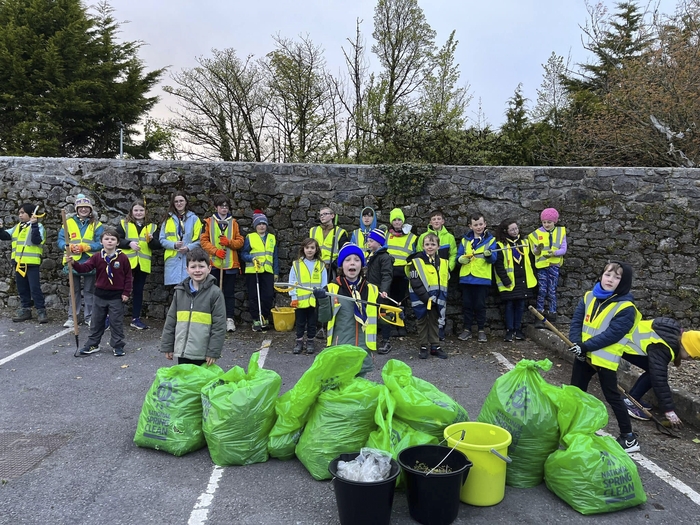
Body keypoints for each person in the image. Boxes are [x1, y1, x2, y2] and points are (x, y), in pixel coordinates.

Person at [568, 261, 642, 453]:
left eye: (617, 277)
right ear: (601, 275)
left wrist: (584, 347)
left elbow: (612, 334)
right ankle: (573, 427)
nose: (610, 280)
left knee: (612, 397)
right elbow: (577, 322)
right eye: (608, 274)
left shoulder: (626, 308)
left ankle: (629, 437)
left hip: (604, 359)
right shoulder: (589, 297)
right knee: (575, 392)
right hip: (583, 354)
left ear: (623, 282)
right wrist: (576, 343)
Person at [620, 318, 700, 428]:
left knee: (652, 370)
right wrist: (669, 411)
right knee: (655, 373)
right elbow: (659, 380)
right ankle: (630, 402)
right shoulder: (664, 347)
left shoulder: (674, 332)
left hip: (624, 337)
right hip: (623, 344)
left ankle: (633, 399)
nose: (689, 360)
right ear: (685, 347)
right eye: (691, 357)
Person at [316, 243, 380, 377]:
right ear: (341, 266)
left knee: (359, 393)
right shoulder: (332, 288)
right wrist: (322, 300)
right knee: (340, 392)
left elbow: (377, 318)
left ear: (361, 266)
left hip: (363, 351)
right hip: (341, 349)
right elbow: (324, 318)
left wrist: (392, 316)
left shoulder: (372, 289)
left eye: (357, 260)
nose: (352, 263)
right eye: (348, 260)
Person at [68, 228, 133, 357]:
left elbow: (128, 277)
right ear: (101, 242)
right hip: (99, 295)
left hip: (116, 296)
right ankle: (93, 344)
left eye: (113, 239)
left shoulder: (123, 258)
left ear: (117, 243)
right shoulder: (97, 257)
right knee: (96, 321)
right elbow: (84, 268)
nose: (110, 241)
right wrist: (74, 263)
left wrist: (126, 292)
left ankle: (118, 345)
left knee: (116, 322)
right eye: (107, 239)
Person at [160, 247, 226, 365]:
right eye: (193, 267)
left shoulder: (215, 293)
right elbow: (171, 321)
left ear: (209, 268)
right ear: (187, 270)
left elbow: (219, 326)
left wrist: (213, 352)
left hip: (203, 353)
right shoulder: (179, 291)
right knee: (184, 382)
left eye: (201, 266)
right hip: (183, 352)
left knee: (201, 383)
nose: (197, 270)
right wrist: (168, 346)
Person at [57, 194, 104, 328]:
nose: (83, 210)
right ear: (77, 209)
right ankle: (73, 317)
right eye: (81, 207)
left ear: (90, 209)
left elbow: (101, 242)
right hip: (72, 260)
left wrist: (87, 247)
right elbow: (60, 240)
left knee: (90, 290)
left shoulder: (96, 224)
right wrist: (68, 247)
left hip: (90, 261)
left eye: (86, 207)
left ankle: (89, 317)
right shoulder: (68, 222)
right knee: (74, 290)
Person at [200, 194, 244, 333]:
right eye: (221, 206)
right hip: (213, 264)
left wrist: (229, 243)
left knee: (229, 293)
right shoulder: (208, 222)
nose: (224, 209)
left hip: (230, 264)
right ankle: (213, 318)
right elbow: (203, 241)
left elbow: (240, 241)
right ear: (216, 207)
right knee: (213, 292)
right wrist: (215, 251)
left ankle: (229, 319)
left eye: (226, 206)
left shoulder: (234, 223)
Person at [117, 199, 161, 330]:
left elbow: (158, 245)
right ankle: (111, 317)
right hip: (127, 263)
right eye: (136, 210)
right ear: (131, 211)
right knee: (121, 289)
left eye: (141, 210)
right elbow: (116, 239)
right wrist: (128, 243)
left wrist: (152, 240)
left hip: (143, 263)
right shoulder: (124, 224)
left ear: (146, 212)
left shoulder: (152, 227)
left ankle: (135, 318)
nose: (138, 212)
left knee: (138, 291)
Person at [0, 203, 48, 323]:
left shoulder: (39, 226)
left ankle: (41, 311)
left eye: (22, 213)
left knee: (34, 288)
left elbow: (36, 240)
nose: (20, 215)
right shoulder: (17, 227)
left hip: (31, 263)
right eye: (19, 213)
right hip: (18, 263)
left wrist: (34, 225)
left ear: (31, 214)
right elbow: (5, 236)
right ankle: (26, 310)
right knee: (22, 288)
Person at [493, 218, 537, 342]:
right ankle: (509, 330)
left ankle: (518, 329)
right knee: (509, 305)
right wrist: (505, 280)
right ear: (505, 231)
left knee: (520, 305)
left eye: (516, 228)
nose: (515, 231)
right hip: (509, 282)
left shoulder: (524, 242)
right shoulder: (501, 245)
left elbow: (531, 260)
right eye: (512, 229)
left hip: (523, 280)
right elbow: (499, 265)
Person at [406, 233, 449, 359]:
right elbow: (415, 282)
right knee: (422, 321)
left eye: (433, 244)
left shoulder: (443, 262)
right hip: (421, 298)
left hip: (437, 298)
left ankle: (435, 346)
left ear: (438, 246)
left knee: (435, 321)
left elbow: (444, 281)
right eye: (427, 244)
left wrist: (439, 297)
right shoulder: (416, 261)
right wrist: (426, 298)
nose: (430, 247)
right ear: (423, 246)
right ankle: (423, 346)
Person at [456, 212, 497, 342]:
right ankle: (467, 329)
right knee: (467, 305)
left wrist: (489, 255)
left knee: (480, 306)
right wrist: (460, 259)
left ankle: (481, 330)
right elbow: (458, 256)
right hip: (466, 278)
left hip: (482, 279)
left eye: (480, 224)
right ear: (470, 226)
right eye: (475, 225)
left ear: (485, 224)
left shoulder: (491, 240)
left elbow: (494, 259)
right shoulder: (464, 240)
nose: (479, 227)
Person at [417, 210, 458, 340]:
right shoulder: (423, 236)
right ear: (430, 222)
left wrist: (448, 269)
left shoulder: (449, 237)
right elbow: (419, 254)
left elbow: (453, 255)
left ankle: (439, 328)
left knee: (441, 302)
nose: (436, 221)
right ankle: (427, 330)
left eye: (438, 219)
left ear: (443, 221)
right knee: (426, 301)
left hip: (443, 275)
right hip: (427, 275)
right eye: (433, 219)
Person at [528, 208, 567, 327]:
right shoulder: (536, 234)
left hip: (554, 266)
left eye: (549, 222)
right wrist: (537, 250)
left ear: (555, 221)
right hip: (542, 266)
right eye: (544, 222)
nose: (546, 224)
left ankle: (552, 315)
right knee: (542, 290)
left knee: (552, 291)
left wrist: (554, 253)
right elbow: (534, 252)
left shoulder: (561, 232)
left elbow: (563, 249)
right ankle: (539, 316)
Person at [288, 238, 327, 355]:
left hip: (314, 301)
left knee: (312, 323)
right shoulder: (296, 265)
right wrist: (293, 297)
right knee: (300, 322)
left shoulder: (320, 265)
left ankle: (310, 341)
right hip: (300, 301)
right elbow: (291, 282)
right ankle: (299, 341)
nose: (309, 250)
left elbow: (324, 284)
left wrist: (322, 296)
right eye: (307, 248)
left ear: (316, 250)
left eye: (312, 248)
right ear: (303, 249)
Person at [242, 210, 279, 331]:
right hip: (253, 271)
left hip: (267, 271)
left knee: (267, 296)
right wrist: (251, 258)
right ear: (255, 226)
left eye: (263, 223)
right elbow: (243, 254)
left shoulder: (272, 238)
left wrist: (276, 272)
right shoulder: (250, 237)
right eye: (259, 224)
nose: (261, 226)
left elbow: (275, 256)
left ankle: (265, 317)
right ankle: (256, 319)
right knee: (254, 295)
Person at [159, 192, 202, 286]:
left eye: (181, 201)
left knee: (190, 290)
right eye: (176, 201)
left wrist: (188, 248)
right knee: (176, 292)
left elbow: (200, 240)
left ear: (186, 202)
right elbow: (162, 239)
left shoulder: (194, 219)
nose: (179, 203)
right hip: (173, 259)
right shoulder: (168, 220)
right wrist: (173, 245)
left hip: (190, 258)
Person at [385, 207, 416, 337]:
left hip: (403, 272)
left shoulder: (413, 237)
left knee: (402, 300)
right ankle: (391, 325)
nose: (397, 222)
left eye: (399, 220)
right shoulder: (386, 235)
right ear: (391, 222)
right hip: (389, 272)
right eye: (395, 220)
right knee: (389, 299)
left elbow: (415, 255)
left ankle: (401, 325)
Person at [364, 228, 395, 354]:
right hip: (369, 290)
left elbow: (387, 275)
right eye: (368, 241)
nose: (369, 243)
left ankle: (386, 340)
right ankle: (368, 340)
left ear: (379, 242)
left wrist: (384, 290)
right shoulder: (370, 256)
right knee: (369, 315)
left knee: (383, 315)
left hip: (380, 291)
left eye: (371, 241)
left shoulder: (384, 257)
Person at [309, 206, 348, 281]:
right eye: (321, 215)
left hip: (331, 269)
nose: (322, 216)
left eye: (325, 214)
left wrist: (333, 265)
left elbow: (344, 252)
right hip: (314, 265)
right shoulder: (313, 230)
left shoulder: (340, 232)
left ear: (332, 216)